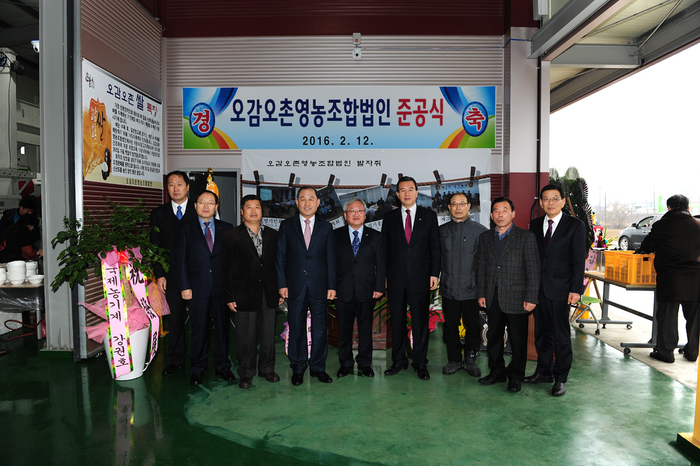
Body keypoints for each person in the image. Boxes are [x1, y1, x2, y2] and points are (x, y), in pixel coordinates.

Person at [524, 184, 586, 397]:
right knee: (542, 334)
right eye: (546, 199)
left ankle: (561, 378)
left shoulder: (575, 226)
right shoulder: (534, 225)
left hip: (562, 290)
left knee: (561, 336)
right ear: (541, 202)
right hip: (539, 290)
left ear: (562, 201)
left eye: (555, 198)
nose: (550, 202)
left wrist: (576, 289)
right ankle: (544, 372)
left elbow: (578, 260)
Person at [219, 195, 284, 389]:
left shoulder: (273, 235)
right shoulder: (231, 236)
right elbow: (225, 269)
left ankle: (267, 368)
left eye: (257, 207)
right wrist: (229, 296)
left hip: (269, 292)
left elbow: (279, 265)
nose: (254, 211)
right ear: (242, 212)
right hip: (243, 293)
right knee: (245, 336)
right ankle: (246, 372)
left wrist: (280, 290)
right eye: (249, 207)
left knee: (268, 333)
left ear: (262, 211)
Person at [477, 197, 540, 393]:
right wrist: (481, 293)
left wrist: (531, 298)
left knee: (518, 340)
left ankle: (515, 376)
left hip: (517, 297)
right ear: (491, 215)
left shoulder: (526, 237)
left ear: (513, 213)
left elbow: (533, 270)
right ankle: (497, 371)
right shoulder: (485, 237)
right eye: (496, 211)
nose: (500, 214)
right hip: (492, 296)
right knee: (493, 337)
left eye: (505, 210)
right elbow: (481, 268)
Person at [276, 186, 337, 386]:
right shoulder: (287, 226)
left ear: (318, 203)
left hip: (320, 286)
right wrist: (282, 284)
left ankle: (318, 367)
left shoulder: (326, 227)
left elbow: (331, 259)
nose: (307, 202)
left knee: (320, 328)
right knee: (296, 327)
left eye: (311, 199)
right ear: (297, 202)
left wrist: (332, 286)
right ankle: (298, 367)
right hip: (295, 286)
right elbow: (281, 257)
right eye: (303, 198)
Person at [382, 176, 441, 380]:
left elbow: (435, 248)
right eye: (402, 190)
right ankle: (398, 361)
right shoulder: (389, 218)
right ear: (397, 195)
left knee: (420, 322)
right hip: (396, 278)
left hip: (421, 278)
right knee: (397, 321)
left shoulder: (429, 216)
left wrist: (434, 274)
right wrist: (384, 277)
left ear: (417, 192)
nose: (406, 193)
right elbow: (384, 250)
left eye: (410, 189)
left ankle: (420, 363)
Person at [173, 190, 234, 386]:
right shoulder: (185, 229)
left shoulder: (227, 228)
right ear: (195, 205)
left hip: (221, 288)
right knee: (199, 330)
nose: (206, 206)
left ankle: (223, 366)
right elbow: (180, 260)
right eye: (202, 202)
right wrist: (184, 286)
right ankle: (198, 369)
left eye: (210, 203)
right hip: (196, 288)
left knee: (223, 329)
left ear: (216, 207)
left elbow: (232, 262)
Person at [640, 194, 700, 364]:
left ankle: (666, 352)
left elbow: (646, 247)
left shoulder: (662, 225)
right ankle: (693, 352)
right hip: (696, 279)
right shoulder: (698, 225)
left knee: (667, 317)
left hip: (671, 279)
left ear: (669, 208)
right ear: (688, 208)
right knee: (695, 319)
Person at [150, 171, 198, 377]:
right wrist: (159, 274)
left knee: (199, 319)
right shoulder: (158, 213)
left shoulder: (199, 209)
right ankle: (176, 359)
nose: (175, 188)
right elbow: (154, 247)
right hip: (171, 277)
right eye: (171, 184)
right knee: (175, 319)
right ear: (167, 189)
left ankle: (199, 360)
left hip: (196, 274)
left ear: (187, 187)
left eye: (179, 184)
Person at [334, 198, 385, 378]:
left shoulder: (376, 236)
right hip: (342, 290)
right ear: (345, 215)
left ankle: (365, 363)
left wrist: (380, 286)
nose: (356, 214)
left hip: (367, 290)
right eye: (352, 211)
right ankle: (345, 363)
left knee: (365, 329)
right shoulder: (335, 235)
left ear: (365, 214)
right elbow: (330, 264)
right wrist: (331, 287)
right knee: (344, 330)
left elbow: (381, 264)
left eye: (360, 211)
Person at [439, 192, 487, 377]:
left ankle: (470, 360)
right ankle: (454, 360)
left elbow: (484, 263)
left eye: (462, 204)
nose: (458, 207)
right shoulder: (441, 231)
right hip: (449, 288)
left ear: (468, 206)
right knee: (450, 326)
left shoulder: (480, 231)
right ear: (449, 207)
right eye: (454, 204)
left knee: (473, 326)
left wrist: (482, 290)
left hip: (471, 289)